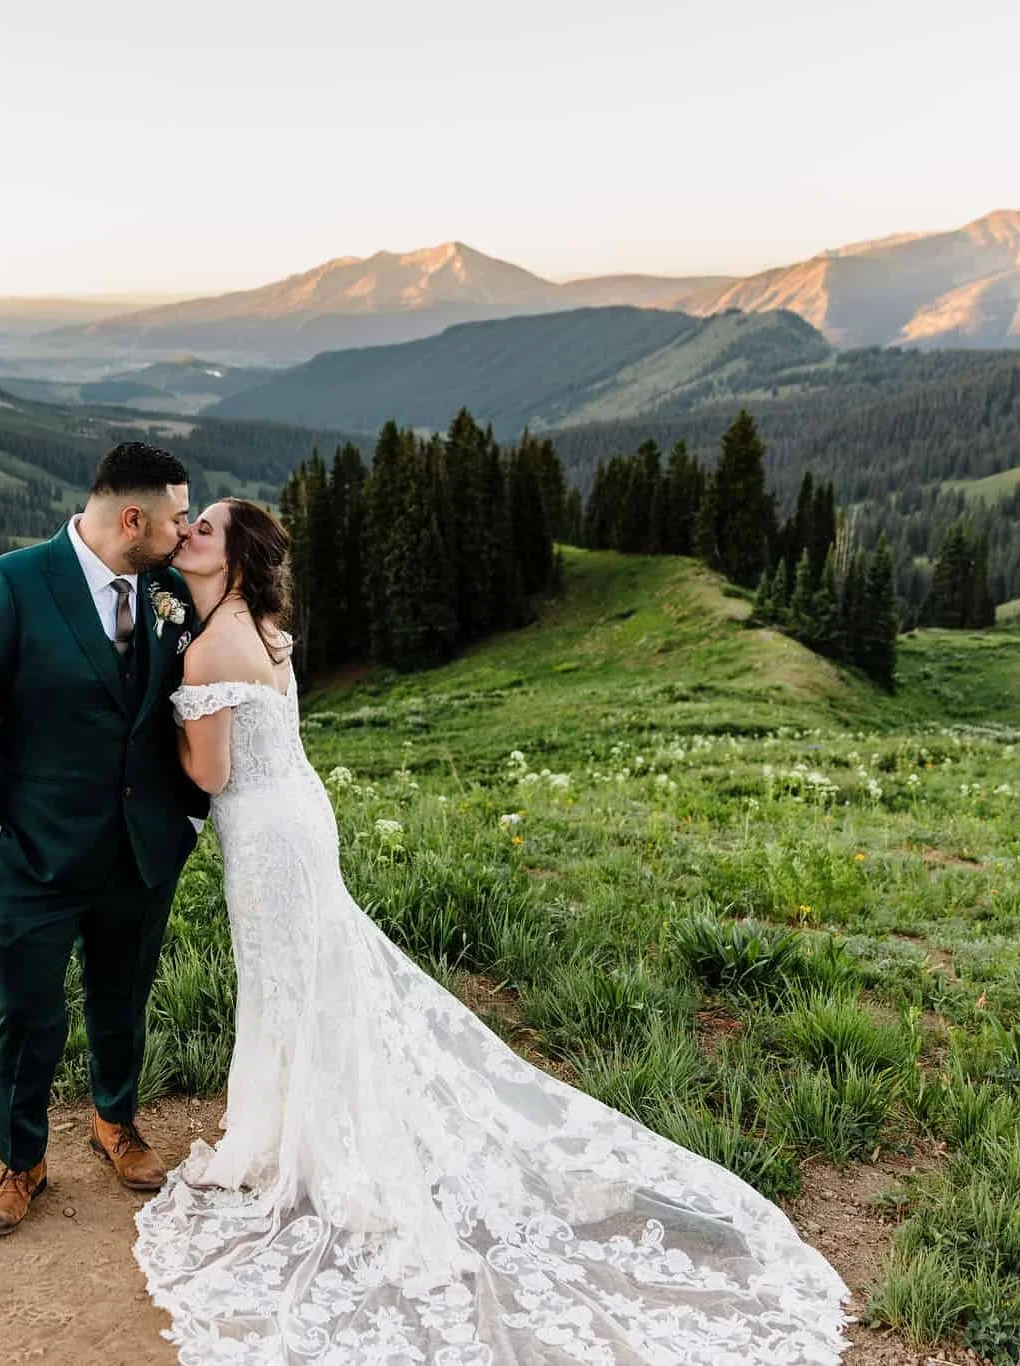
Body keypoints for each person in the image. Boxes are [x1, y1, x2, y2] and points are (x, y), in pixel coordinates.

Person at [133, 497, 851, 1363]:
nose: (188, 534)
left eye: (205, 527)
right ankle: (303, 1120)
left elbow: (210, 772)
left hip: (263, 832)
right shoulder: (269, 633)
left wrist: (157, 728)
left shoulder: (210, 646)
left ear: (237, 560)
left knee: (286, 974)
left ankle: (297, 1134)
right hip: (300, 818)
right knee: (315, 974)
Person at [0, 441, 208, 1236]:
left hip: (141, 851)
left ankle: (114, 1122)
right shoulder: (10, 584)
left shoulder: (168, 592)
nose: (185, 531)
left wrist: (186, 816)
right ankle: (22, 1164)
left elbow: (184, 708)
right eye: (178, 516)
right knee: (28, 1016)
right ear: (133, 518)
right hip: (32, 857)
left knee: (124, 1001)